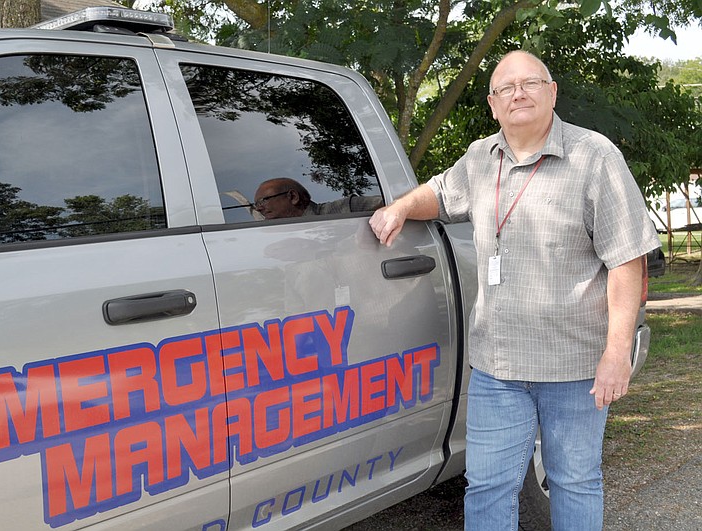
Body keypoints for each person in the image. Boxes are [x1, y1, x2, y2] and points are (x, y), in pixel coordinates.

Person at [369, 50, 660, 530]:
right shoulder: (481, 159)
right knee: (487, 487)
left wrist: (616, 352)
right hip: (498, 368)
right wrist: (400, 208)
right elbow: (439, 194)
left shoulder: (595, 156)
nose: (519, 93)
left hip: (576, 366)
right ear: (492, 103)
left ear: (552, 92)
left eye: (531, 83)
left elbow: (627, 260)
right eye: (507, 87)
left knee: (575, 480)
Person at [253, 177, 382, 219]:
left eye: (263, 201)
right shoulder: (276, 246)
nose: (258, 209)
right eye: (256, 204)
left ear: (293, 197)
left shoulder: (347, 209)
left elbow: (396, 205)